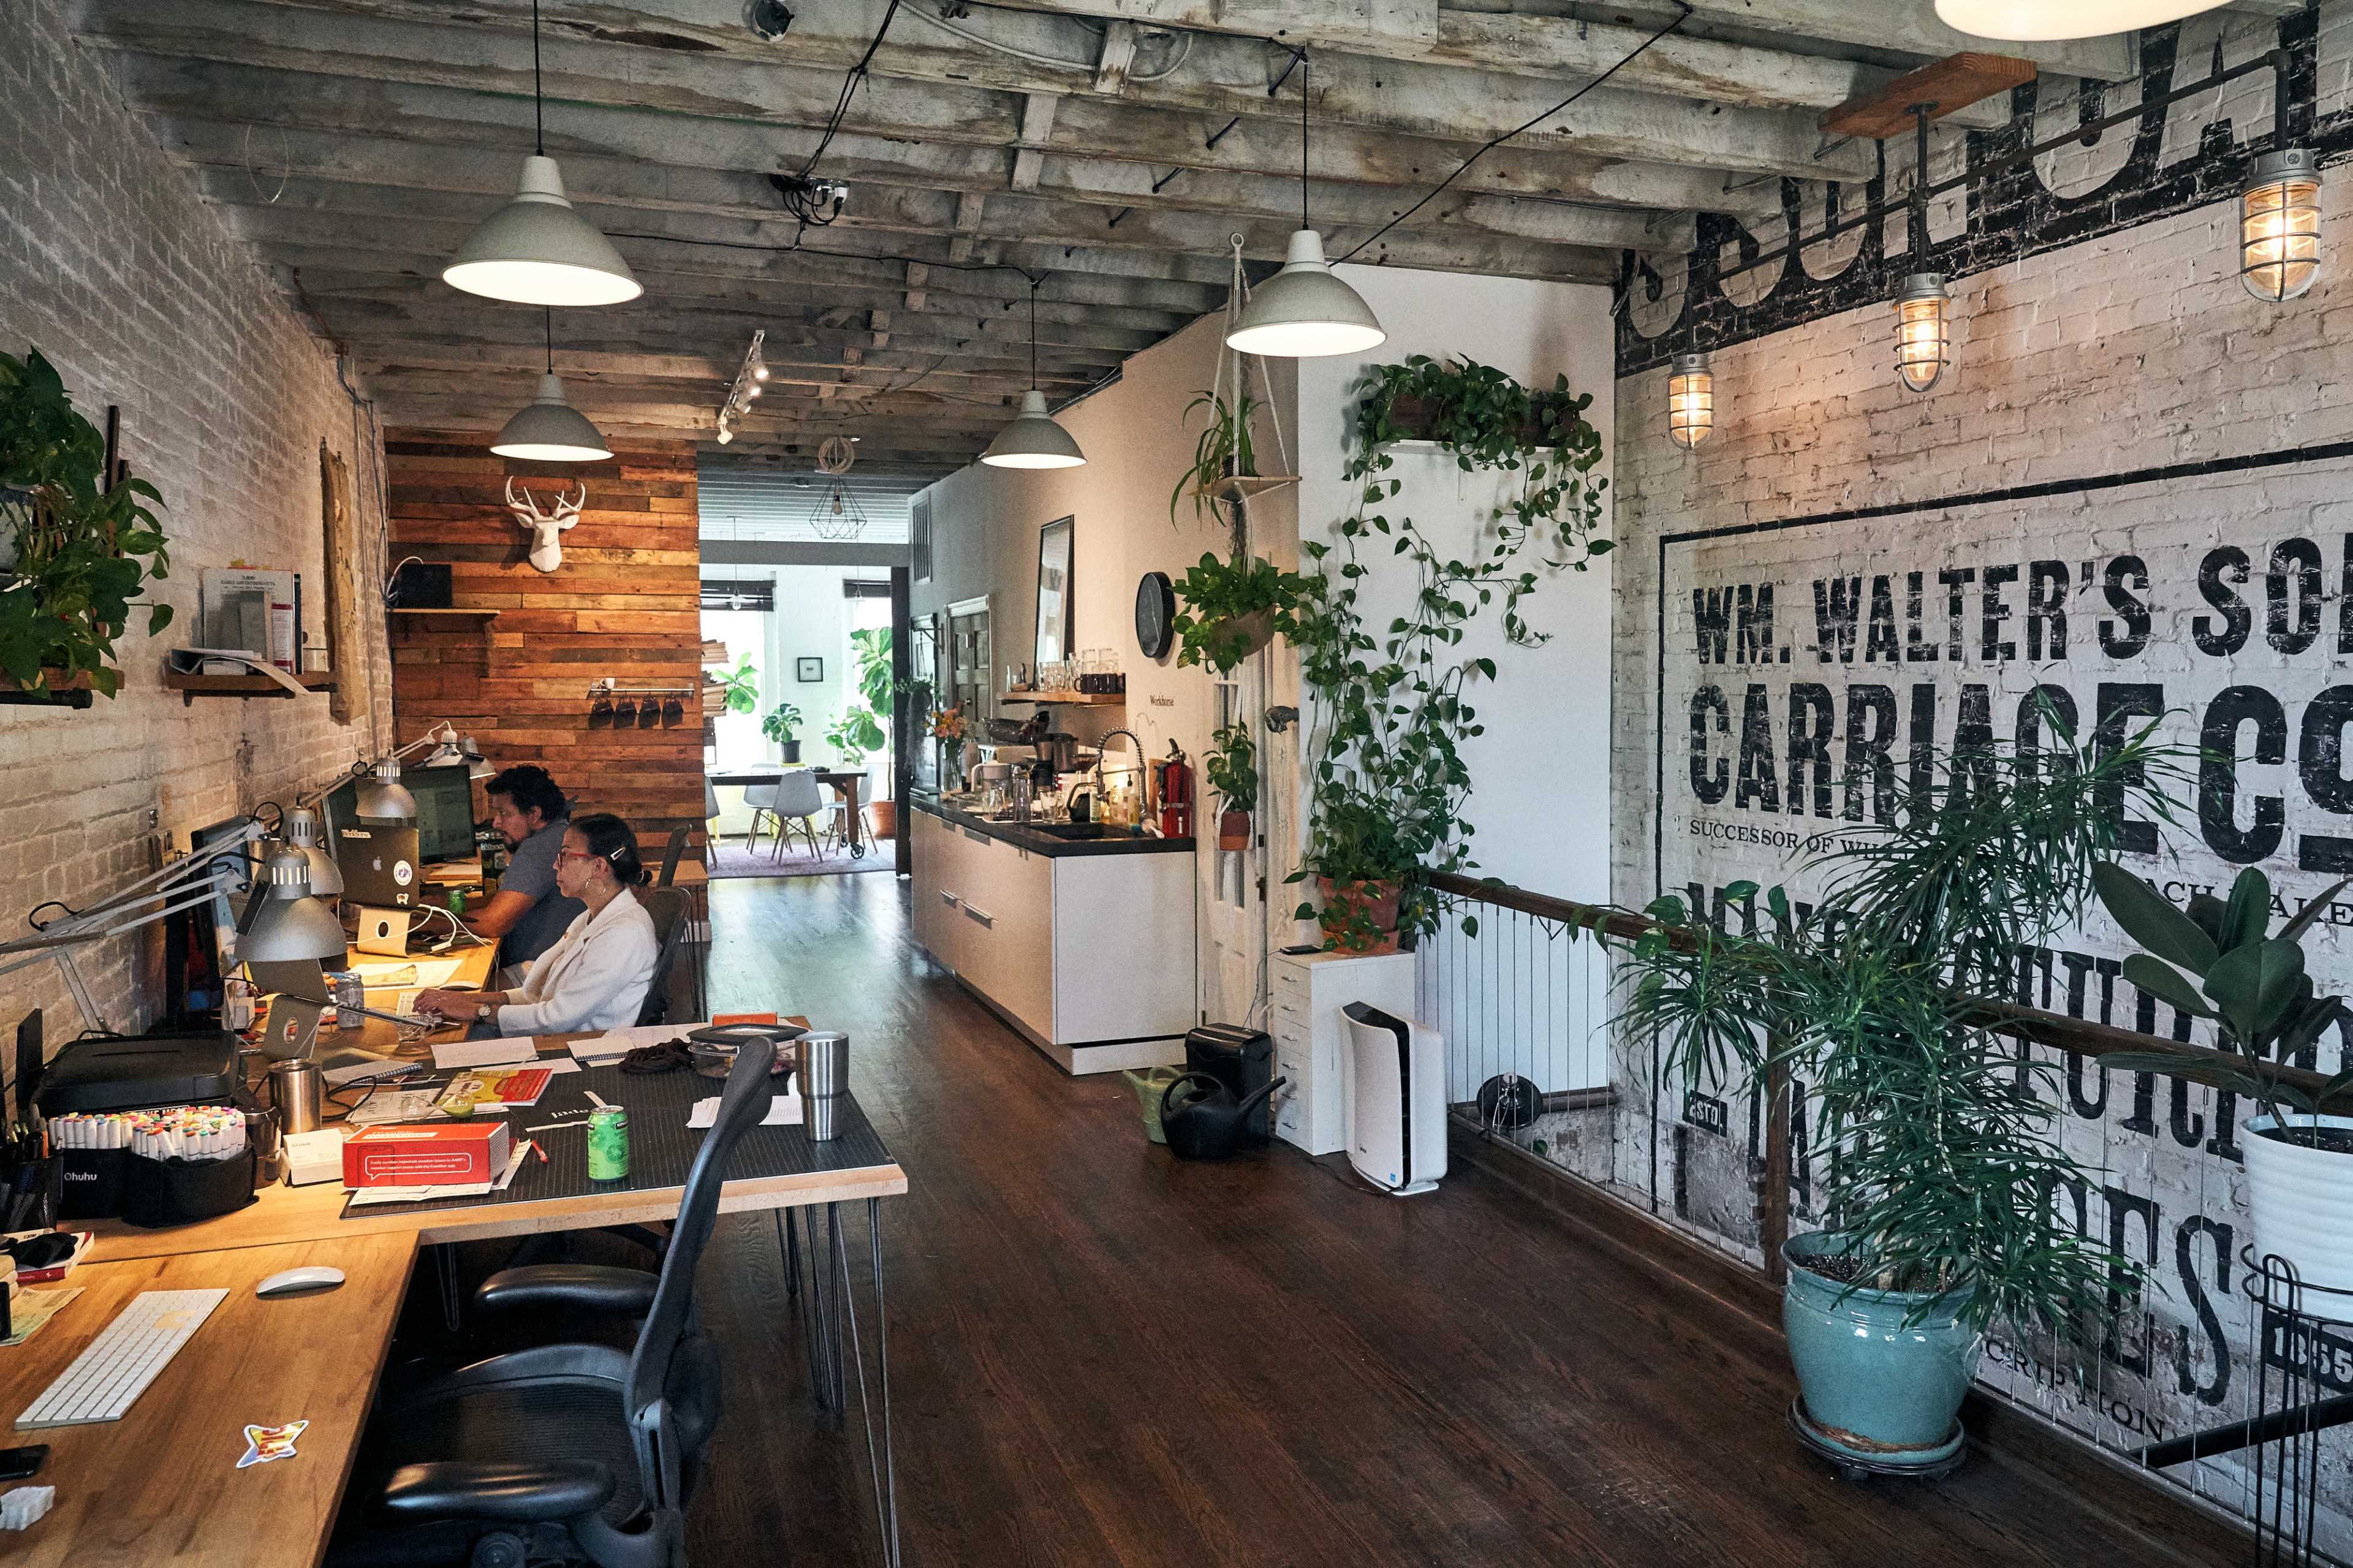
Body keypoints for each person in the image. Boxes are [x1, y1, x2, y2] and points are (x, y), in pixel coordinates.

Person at [415, 814, 660, 1036]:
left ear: (598, 866)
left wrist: (478, 1012)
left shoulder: (624, 933)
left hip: (572, 1048)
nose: (556, 865)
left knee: (443, 1042)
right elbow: (539, 993)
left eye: (565, 855)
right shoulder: (594, 916)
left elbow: (558, 1018)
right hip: (558, 1037)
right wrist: (466, 1000)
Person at [469, 763, 583, 981]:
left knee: (459, 988)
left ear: (534, 814)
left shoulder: (538, 848)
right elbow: (507, 899)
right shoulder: (557, 835)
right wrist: (441, 907)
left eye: (504, 813)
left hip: (544, 972)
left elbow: (493, 924)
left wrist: (416, 925)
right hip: (558, 965)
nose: (496, 822)